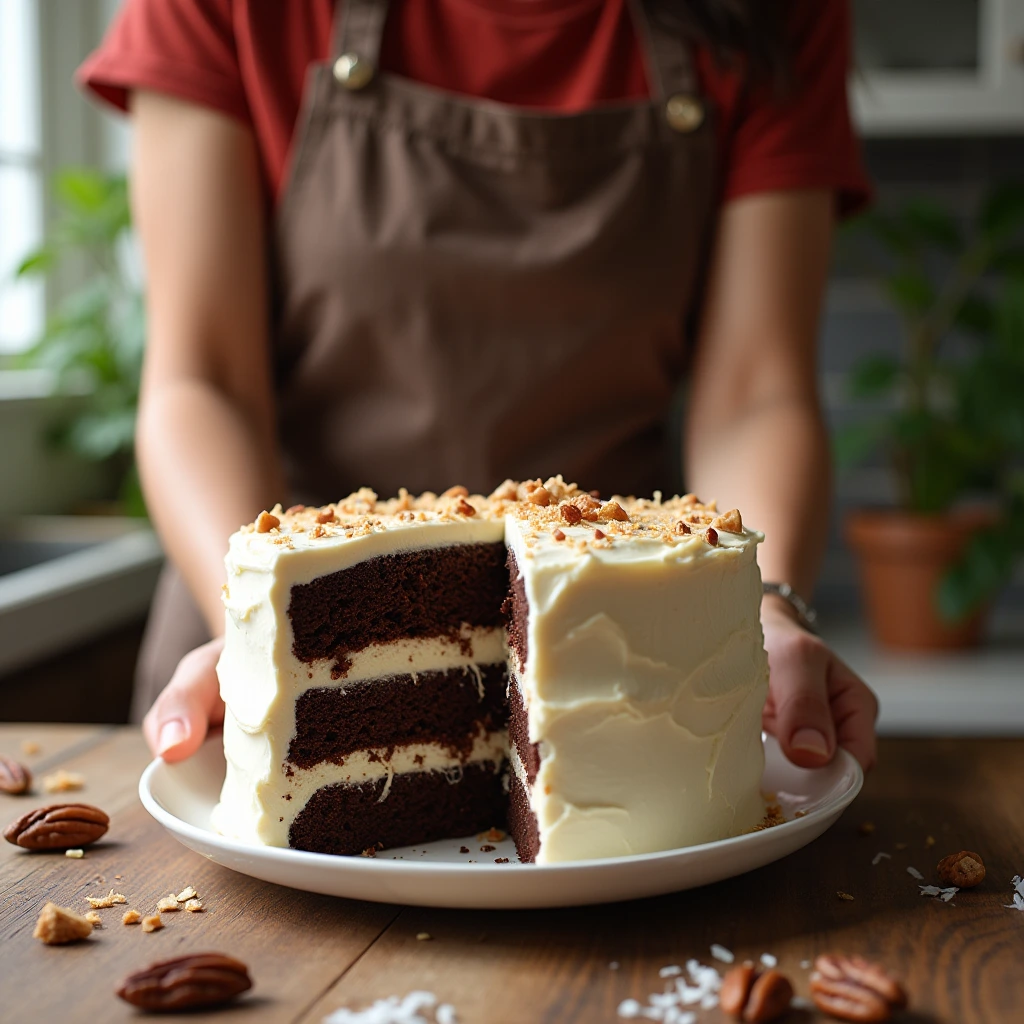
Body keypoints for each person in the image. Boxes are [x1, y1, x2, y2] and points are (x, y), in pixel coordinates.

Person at [80, 0, 878, 774]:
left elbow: (755, 392)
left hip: (619, 645)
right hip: (270, 619)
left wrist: (753, 611)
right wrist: (262, 631)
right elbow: (204, 379)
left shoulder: (773, 13)